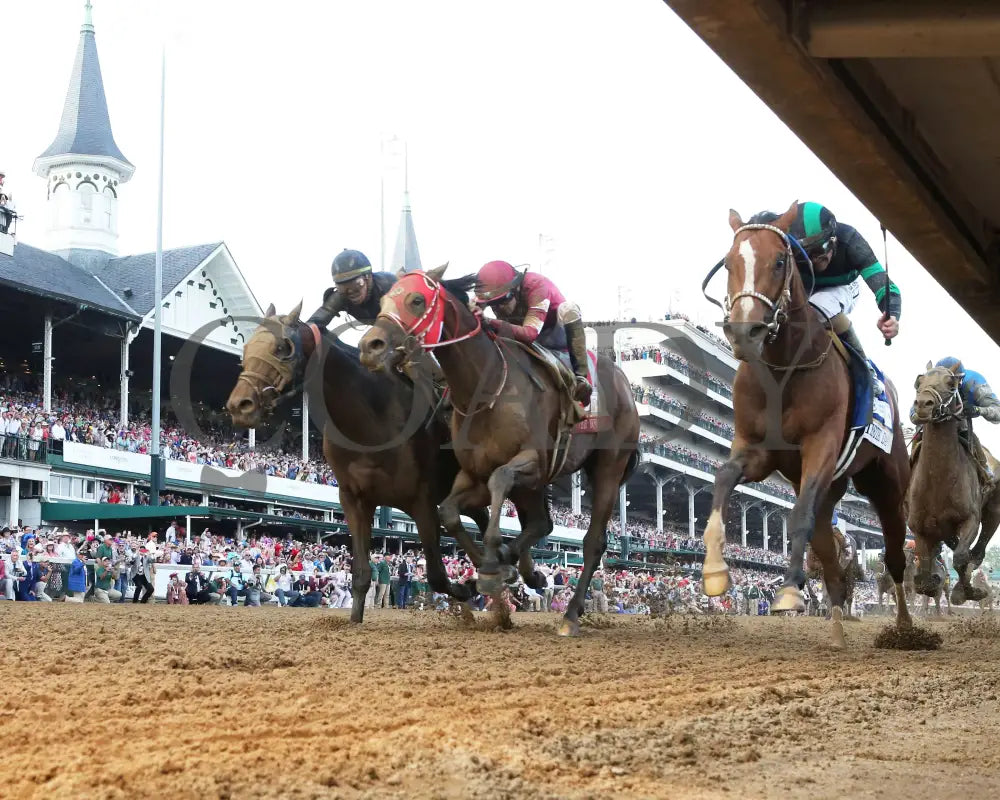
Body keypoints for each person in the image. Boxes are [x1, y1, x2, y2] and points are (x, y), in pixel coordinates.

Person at [750, 202, 901, 390]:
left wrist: (892, 314)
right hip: (804, 286)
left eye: (817, 250)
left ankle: (864, 370)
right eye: (803, 254)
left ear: (832, 240)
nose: (812, 260)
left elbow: (884, 286)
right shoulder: (787, 244)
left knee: (818, 307)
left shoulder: (850, 240)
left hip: (844, 285)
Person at [472, 261, 592, 405]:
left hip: (553, 333)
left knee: (569, 309)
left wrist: (489, 321)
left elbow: (529, 334)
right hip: (521, 332)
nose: (499, 308)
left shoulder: (537, 285)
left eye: (503, 300)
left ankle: (582, 377)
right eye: (492, 304)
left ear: (515, 288)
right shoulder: (495, 293)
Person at [911, 357, 1000, 483]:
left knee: (968, 435)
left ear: (960, 380)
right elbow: (913, 415)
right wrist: (921, 416)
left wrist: (978, 410)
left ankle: (984, 471)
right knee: (918, 437)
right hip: (931, 424)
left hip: (960, 423)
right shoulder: (931, 382)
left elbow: (997, 411)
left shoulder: (975, 382)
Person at [307, 249, 398, 328]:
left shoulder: (388, 285)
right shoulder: (340, 297)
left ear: (368, 278)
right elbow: (317, 320)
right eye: (342, 288)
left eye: (356, 285)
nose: (351, 292)